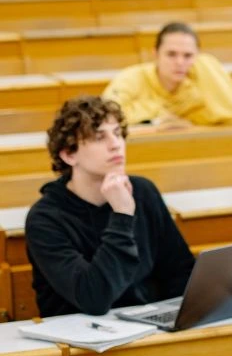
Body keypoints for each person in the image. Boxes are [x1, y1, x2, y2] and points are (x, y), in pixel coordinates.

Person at [25, 96, 195, 317]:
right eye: (99, 137)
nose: (116, 144)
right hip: (80, 339)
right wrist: (122, 215)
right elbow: (94, 298)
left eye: (117, 133)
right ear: (69, 154)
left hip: (148, 327)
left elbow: (180, 271)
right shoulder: (45, 219)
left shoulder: (143, 192)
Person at [102, 22, 232, 127]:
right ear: (156, 54)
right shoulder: (131, 78)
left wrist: (206, 63)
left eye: (188, 56)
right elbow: (106, 118)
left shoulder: (196, 87)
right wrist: (159, 121)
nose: (179, 62)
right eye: (171, 54)